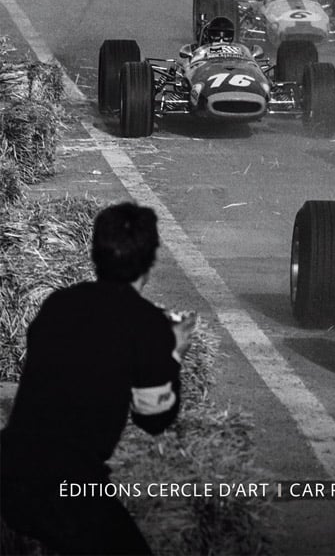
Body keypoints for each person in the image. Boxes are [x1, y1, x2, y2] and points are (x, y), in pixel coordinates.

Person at [0, 202, 196, 555]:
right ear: (150, 262)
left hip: (10, 463)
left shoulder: (58, 303)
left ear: (95, 254)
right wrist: (173, 354)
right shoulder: (148, 325)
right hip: (65, 485)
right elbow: (153, 420)